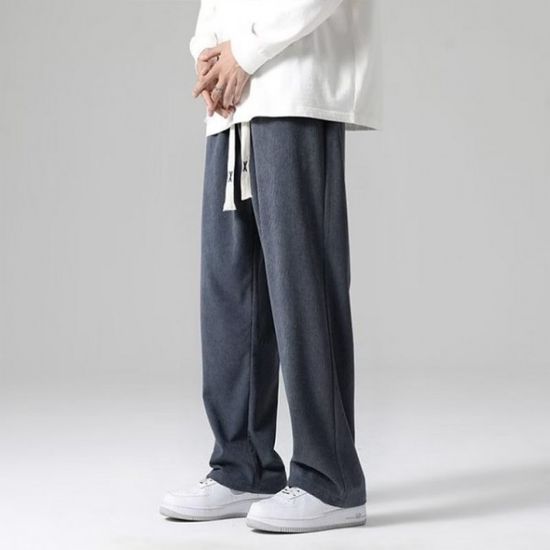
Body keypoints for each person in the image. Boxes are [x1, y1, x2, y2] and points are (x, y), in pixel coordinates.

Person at [160, 0, 382, 533]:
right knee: (230, 287)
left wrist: (246, 51)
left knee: (303, 285)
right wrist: (207, 55)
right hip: (233, 101)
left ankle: (331, 479)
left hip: (293, 86)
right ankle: (243, 466)